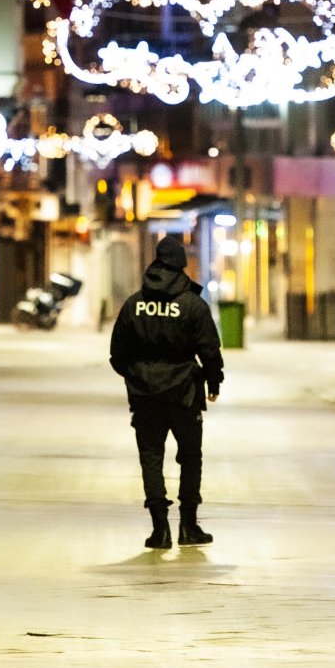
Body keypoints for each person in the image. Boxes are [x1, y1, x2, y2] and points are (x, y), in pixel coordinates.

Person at [110, 233, 223, 550]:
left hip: (145, 396)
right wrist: (214, 382)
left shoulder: (134, 304)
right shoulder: (192, 305)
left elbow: (117, 354)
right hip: (185, 394)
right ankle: (189, 527)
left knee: (151, 458)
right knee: (190, 458)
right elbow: (209, 350)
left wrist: (137, 377)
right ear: (182, 265)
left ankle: (160, 530)